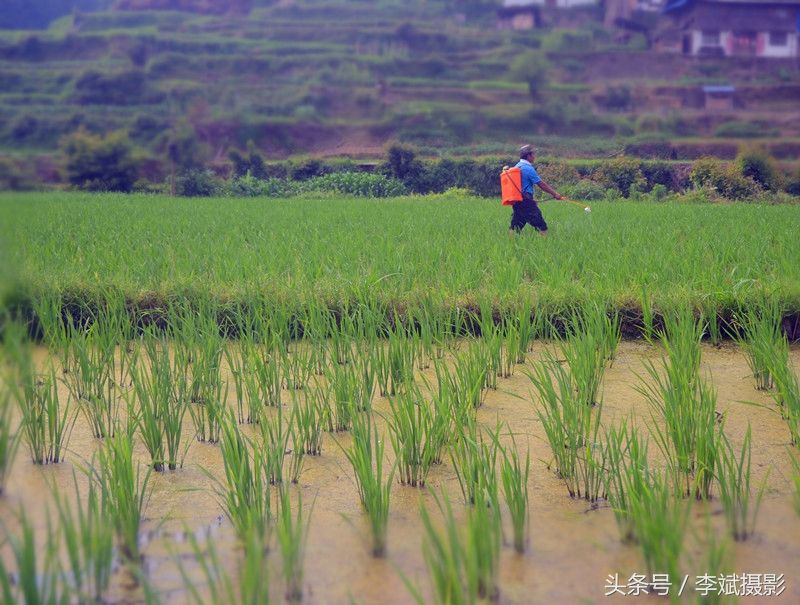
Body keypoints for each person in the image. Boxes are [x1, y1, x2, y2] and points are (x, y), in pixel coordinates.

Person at [510, 144, 565, 236]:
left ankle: (509, 245)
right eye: (533, 154)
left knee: (516, 226)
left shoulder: (517, 166)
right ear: (528, 156)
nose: (535, 157)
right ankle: (544, 247)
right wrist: (555, 194)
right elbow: (541, 184)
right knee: (542, 226)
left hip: (517, 201)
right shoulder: (528, 168)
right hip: (526, 201)